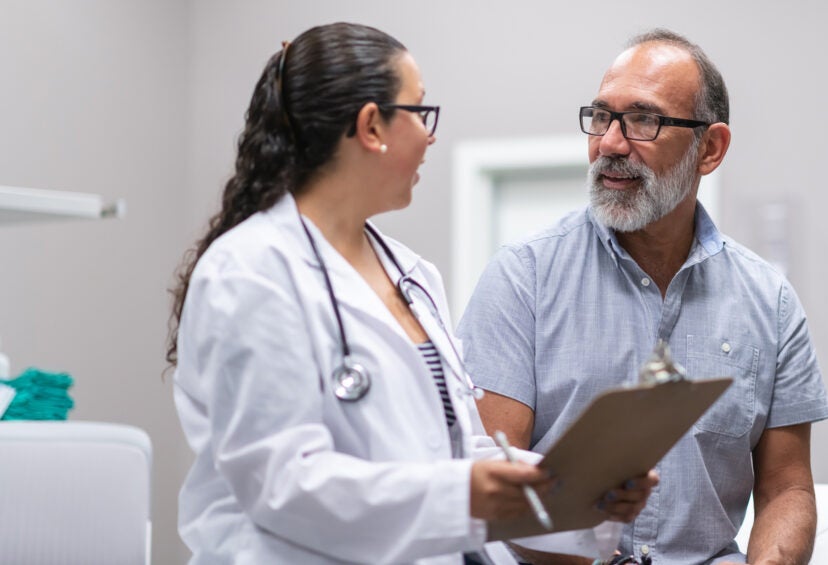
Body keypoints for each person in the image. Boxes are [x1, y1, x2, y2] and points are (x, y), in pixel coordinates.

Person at [166, 22, 656, 565]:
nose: (431, 134)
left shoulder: (412, 274)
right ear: (372, 126)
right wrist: (463, 495)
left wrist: (577, 491)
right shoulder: (250, 273)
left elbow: (442, 454)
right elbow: (283, 484)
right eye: (420, 113)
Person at [457, 29, 828, 565]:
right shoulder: (524, 279)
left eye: (643, 120)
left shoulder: (768, 302)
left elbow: (788, 490)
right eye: (601, 116)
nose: (609, 143)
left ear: (710, 148)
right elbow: (493, 489)